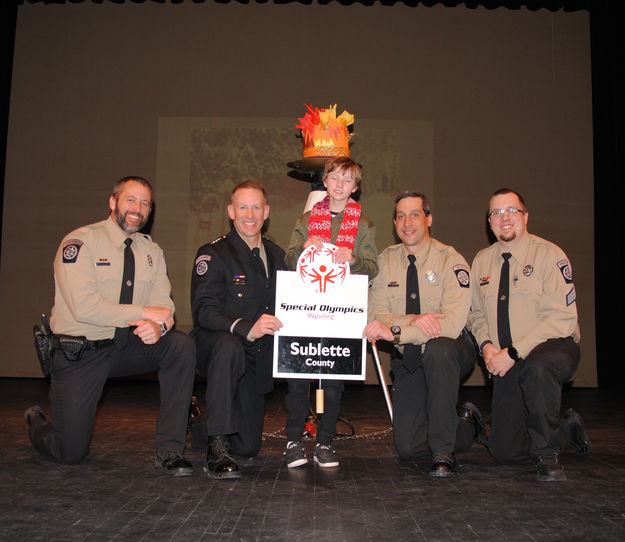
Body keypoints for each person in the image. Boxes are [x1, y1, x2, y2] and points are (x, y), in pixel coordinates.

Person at [24, 176, 196, 476]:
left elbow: (165, 307)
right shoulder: (80, 242)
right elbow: (84, 307)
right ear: (112, 201)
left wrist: (161, 329)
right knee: (71, 453)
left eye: (145, 203)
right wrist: (144, 313)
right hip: (81, 352)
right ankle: (37, 423)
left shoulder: (151, 251)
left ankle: (170, 449)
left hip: (123, 347)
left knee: (180, 346)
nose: (137, 208)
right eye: (131, 200)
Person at [464, 188, 591, 481]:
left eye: (511, 211)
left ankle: (547, 454)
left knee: (538, 366)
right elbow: (476, 315)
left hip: (553, 348)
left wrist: (513, 351)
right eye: (496, 212)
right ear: (489, 221)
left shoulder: (549, 254)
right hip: (508, 358)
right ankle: (568, 428)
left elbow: (561, 317)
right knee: (505, 451)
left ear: (526, 216)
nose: (503, 218)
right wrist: (486, 348)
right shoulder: (482, 261)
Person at [363, 191, 476, 477]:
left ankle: (442, 450)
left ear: (429, 218)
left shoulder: (450, 260)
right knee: (409, 448)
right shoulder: (386, 260)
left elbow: (448, 326)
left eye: (414, 214)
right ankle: (468, 426)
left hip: (450, 351)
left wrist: (397, 328)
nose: (407, 222)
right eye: (400, 216)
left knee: (438, 349)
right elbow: (374, 314)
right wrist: (415, 319)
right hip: (410, 356)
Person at [283, 156, 378, 469]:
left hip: (341, 315)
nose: (339, 185)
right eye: (334, 178)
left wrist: (352, 261)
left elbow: (372, 269)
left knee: (332, 383)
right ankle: (294, 440)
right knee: (298, 378)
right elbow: (287, 261)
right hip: (305, 311)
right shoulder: (306, 219)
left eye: (347, 180)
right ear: (324, 181)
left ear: (355, 187)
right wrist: (304, 249)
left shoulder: (363, 225)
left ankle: (325, 442)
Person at [191, 181, 285, 479]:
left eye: (256, 207)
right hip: (218, 347)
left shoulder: (278, 255)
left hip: (254, 358)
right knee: (229, 345)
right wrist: (245, 328)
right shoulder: (213, 253)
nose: (249, 214)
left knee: (247, 447)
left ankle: (199, 426)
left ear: (266, 211)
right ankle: (216, 444)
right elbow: (204, 311)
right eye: (242, 207)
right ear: (231, 211)